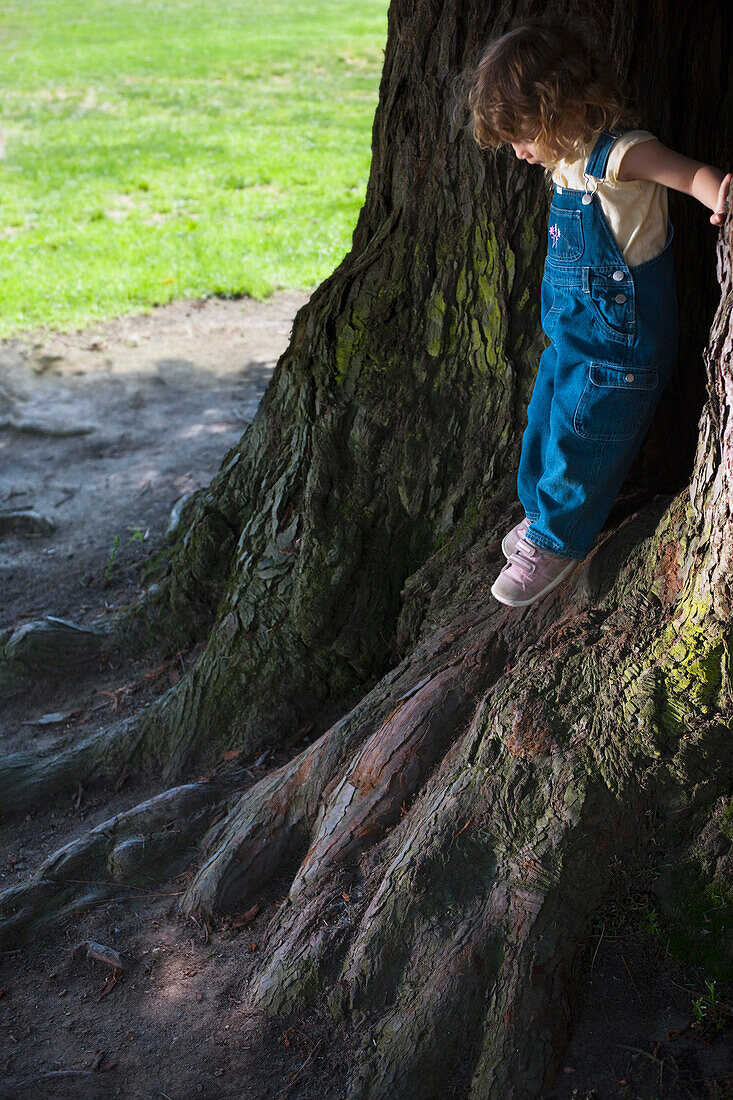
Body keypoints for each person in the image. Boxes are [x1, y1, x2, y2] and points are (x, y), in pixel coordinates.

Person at [465, 19, 731, 608]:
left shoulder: (620, 156)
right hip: (572, 339)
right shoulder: (565, 164)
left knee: (580, 437)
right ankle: (540, 517)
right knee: (544, 420)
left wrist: (723, 200)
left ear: (555, 109)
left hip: (620, 350)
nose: (517, 152)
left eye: (522, 135)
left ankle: (558, 540)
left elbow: (690, 175)